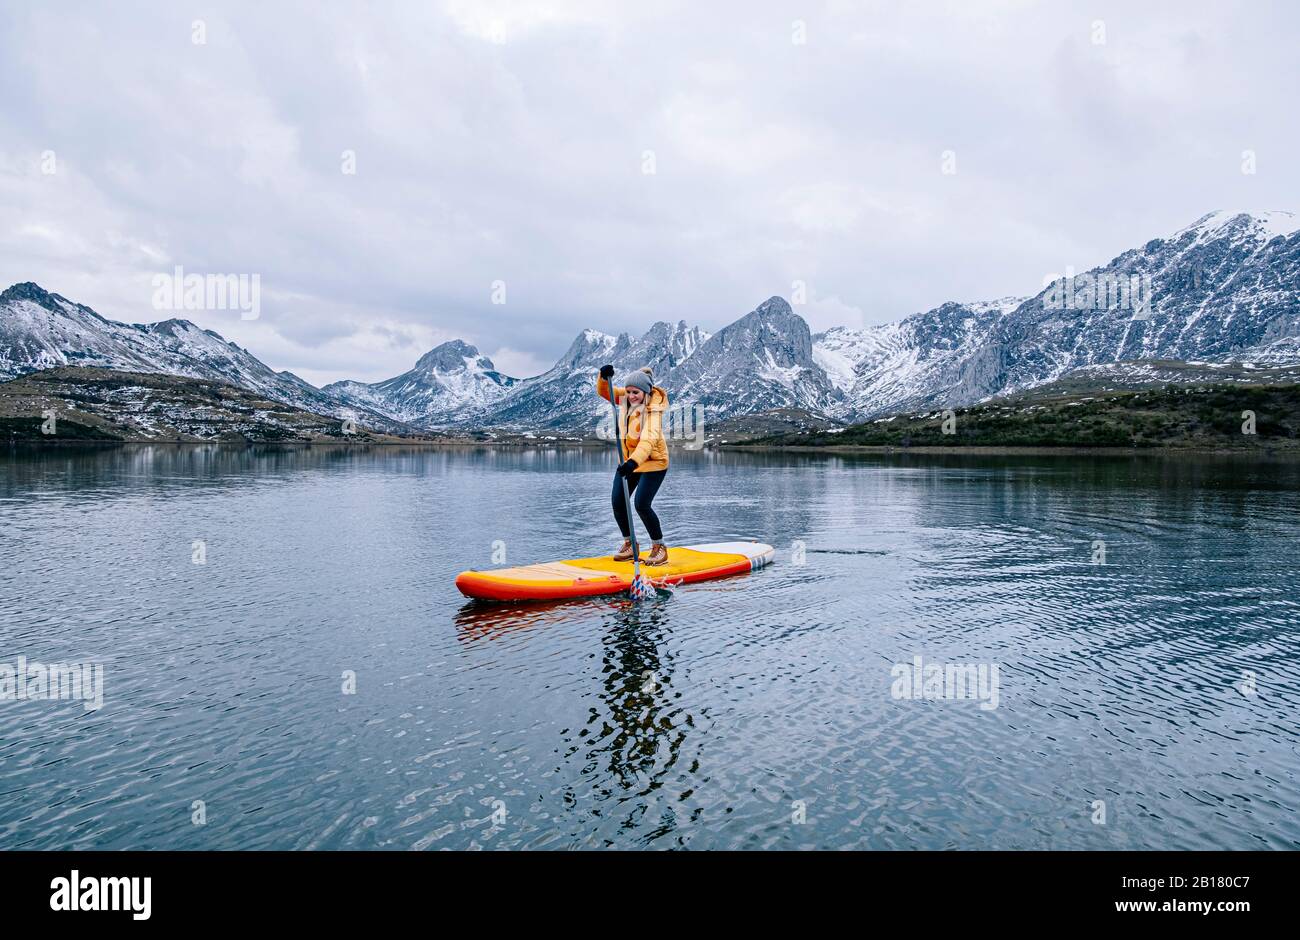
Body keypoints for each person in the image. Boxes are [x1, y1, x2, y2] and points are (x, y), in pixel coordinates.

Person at [597, 363, 669, 566]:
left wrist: (632, 463)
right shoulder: (626, 400)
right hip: (630, 462)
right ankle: (630, 544)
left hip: (653, 462)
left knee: (641, 504)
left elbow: (648, 440)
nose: (631, 396)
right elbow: (607, 392)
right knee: (618, 501)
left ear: (645, 392)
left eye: (635, 392)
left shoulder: (653, 411)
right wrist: (603, 377)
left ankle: (659, 547)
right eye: (628, 392)